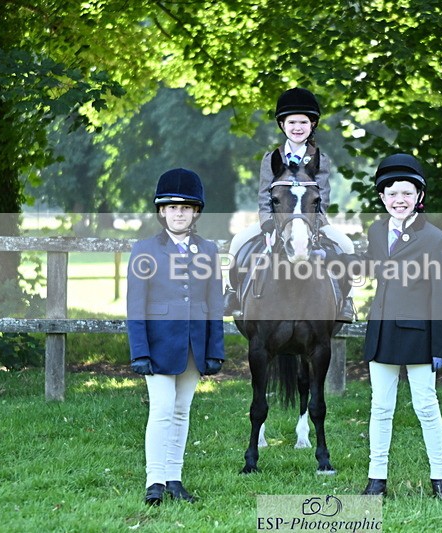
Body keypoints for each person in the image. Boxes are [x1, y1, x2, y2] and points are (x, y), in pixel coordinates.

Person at [360, 153, 442, 500]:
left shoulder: (434, 238)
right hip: (382, 332)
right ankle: (377, 478)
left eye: (406, 193)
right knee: (380, 407)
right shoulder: (376, 231)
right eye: (392, 194)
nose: (398, 200)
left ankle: (440, 477)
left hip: (420, 335)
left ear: (419, 196)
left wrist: (441, 345)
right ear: (382, 197)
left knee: (426, 406)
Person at [126, 168, 225, 506]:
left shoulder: (208, 250)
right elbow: (135, 306)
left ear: (195, 212)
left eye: (185, 208)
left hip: (195, 346)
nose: (178, 214)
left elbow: (215, 304)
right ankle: (154, 480)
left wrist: (215, 350)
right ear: (161, 211)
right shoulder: (145, 250)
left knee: (182, 411)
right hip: (158, 346)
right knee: (162, 409)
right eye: (172, 208)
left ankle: (174, 479)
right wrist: (139, 351)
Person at [224, 87, 355, 321]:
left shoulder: (320, 159)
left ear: (312, 124)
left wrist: (315, 224)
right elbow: (264, 195)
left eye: (303, 122)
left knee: (346, 245)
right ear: (282, 125)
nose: (297, 127)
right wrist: (268, 224)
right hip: (277, 221)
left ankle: (348, 301)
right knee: (237, 241)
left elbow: (322, 197)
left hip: (312, 221)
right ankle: (232, 293)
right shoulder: (271, 158)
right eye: (292, 122)